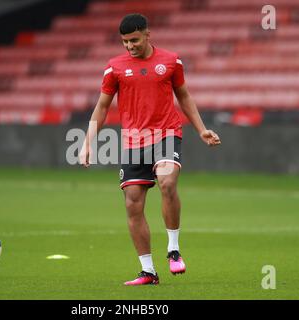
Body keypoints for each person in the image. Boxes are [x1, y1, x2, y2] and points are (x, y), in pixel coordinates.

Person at [79, 13, 221, 285]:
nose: (129, 46)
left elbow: (184, 96)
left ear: (147, 34)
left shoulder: (171, 61)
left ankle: (173, 248)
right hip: (133, 141)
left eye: (134, 40)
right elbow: (102, 106)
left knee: (168, 183)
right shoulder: (114, 68)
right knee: (133, 203)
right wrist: (88, 142)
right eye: (124, 42)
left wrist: (201, 128)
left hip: (166, 133)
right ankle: (148, 271)